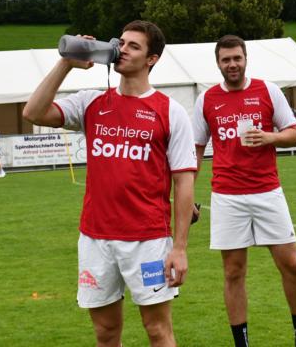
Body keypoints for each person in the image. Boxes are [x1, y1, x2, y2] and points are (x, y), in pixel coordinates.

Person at [22, 20, 196, 347]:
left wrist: (180, 248)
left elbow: (184, 181)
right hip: (95, 239)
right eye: (122, 42)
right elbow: (33, 112)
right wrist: (66, 63)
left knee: (158, 330)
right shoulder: (91, 102)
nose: (122, 49)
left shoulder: (170, 111)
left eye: (134, 46)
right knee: (105, 332)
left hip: (148, 240)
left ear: (152, 59)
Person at [193, 35, 296, 347]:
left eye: (236, 58)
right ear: (218, 63)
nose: (232, 64)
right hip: (227, 196)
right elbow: (195, 150)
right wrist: (188, 196)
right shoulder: (206, 99)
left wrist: (269, 137)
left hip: (267, 192)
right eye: (226, 59)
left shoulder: (268, 90)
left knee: (290, 265)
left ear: (245, 59)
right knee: (233, 272)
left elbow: (295, 135)